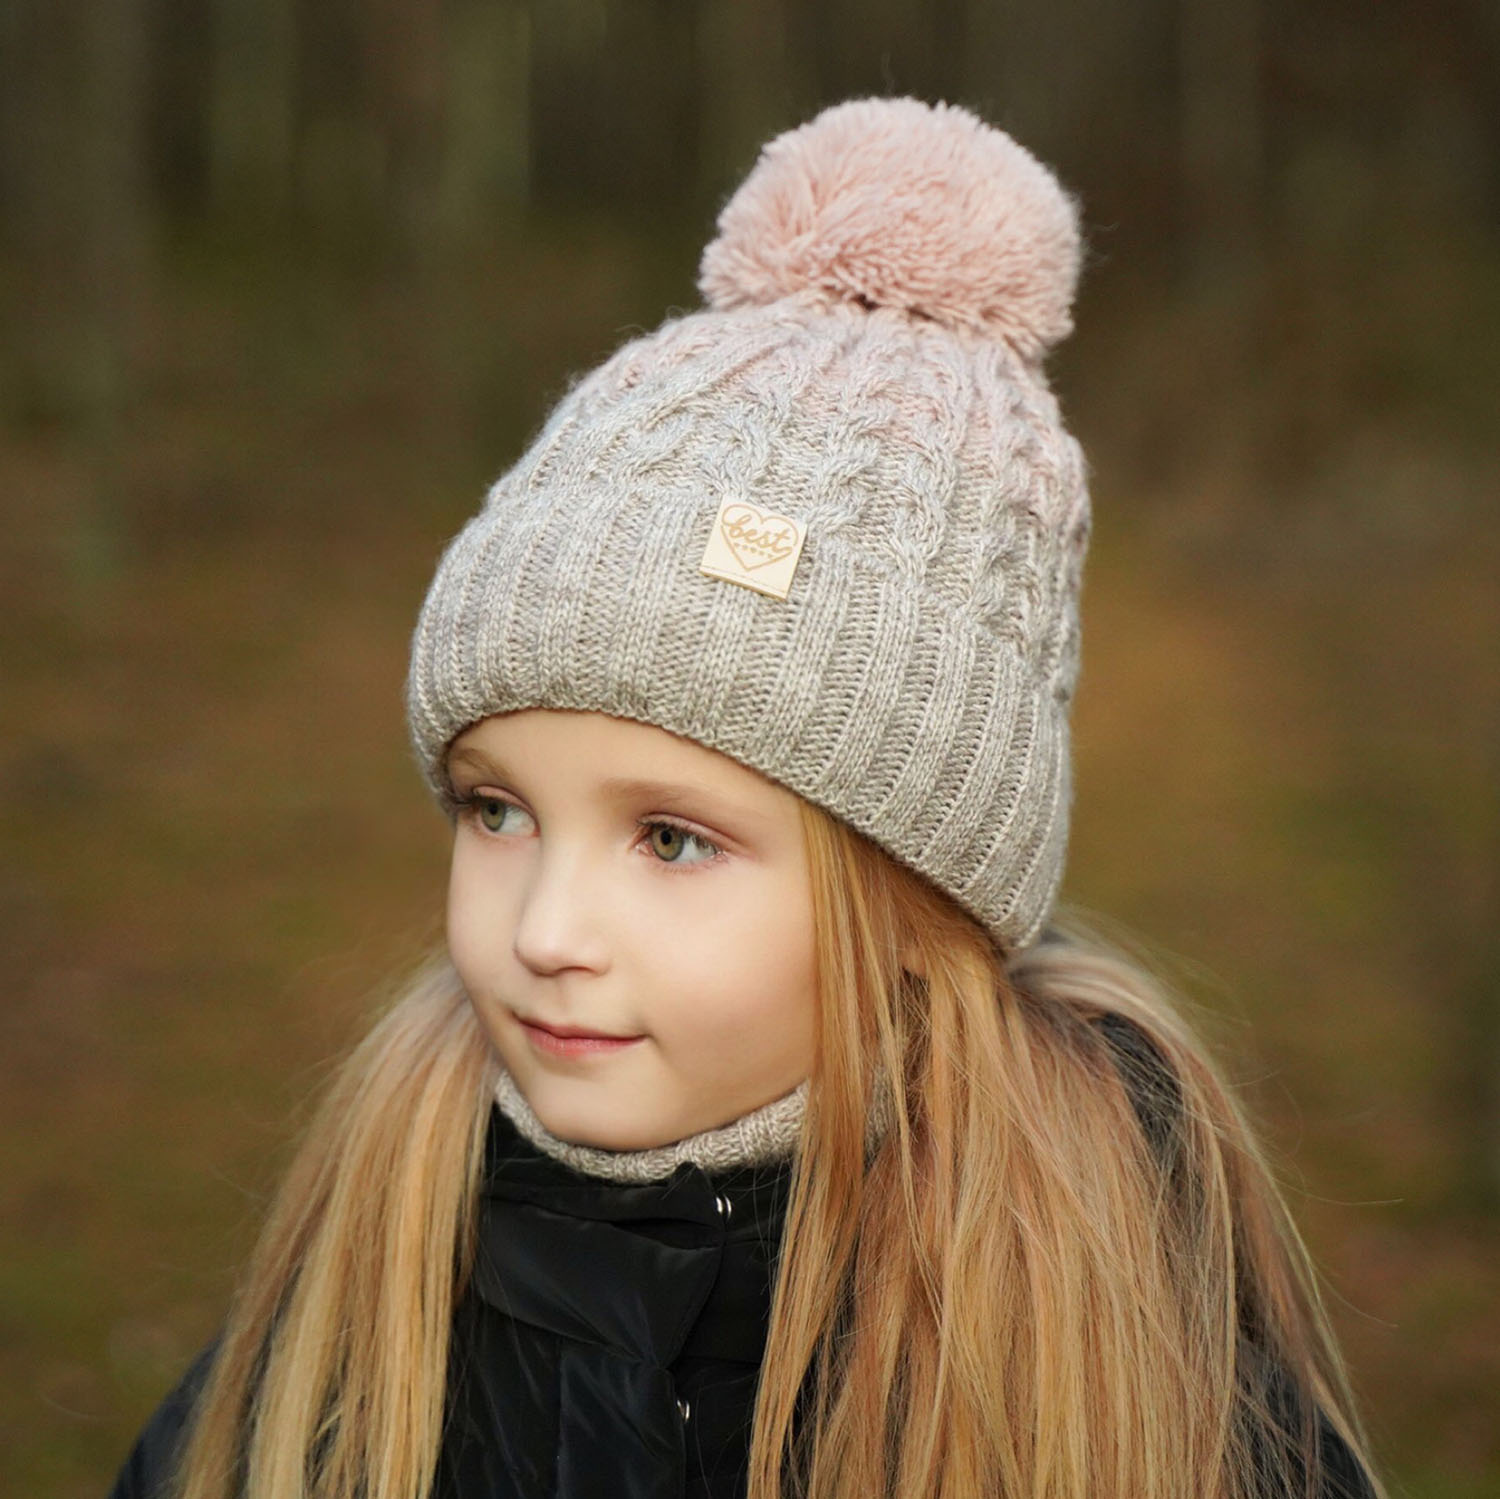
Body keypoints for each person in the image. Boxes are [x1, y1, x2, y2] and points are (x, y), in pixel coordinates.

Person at [106, 97, 1386, 1499]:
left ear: (917, 901)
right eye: (495, 811)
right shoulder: (366, 1288)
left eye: (671, 838)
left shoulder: (1125, 1362)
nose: (545, 930)